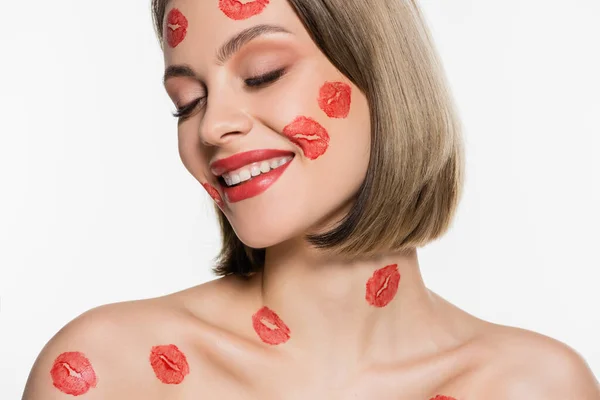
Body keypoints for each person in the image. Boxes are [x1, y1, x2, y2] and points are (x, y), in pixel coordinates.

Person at [22, 0, 599, 398]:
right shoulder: (105, 370)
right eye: (187, 101)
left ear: (382, 77)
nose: (212, 126)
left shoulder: (537, 386)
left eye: (264, 73)